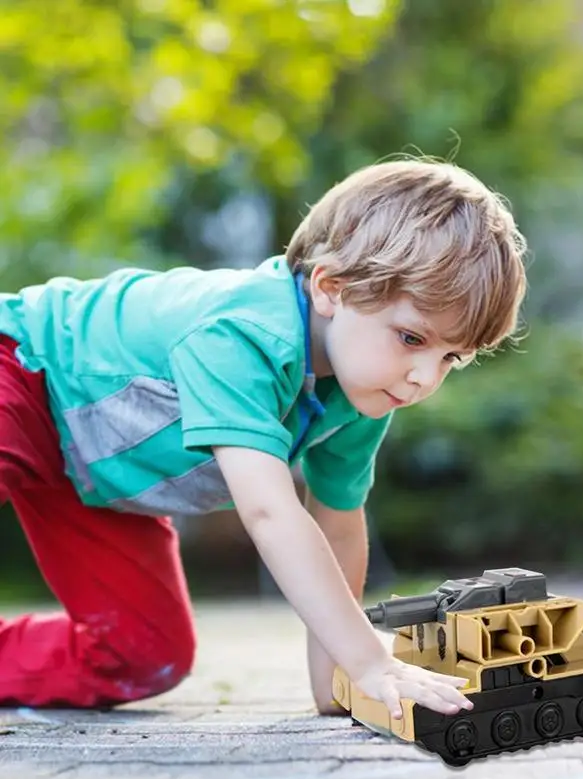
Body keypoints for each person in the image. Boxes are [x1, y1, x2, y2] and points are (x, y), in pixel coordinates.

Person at [0, 158, 528, 719]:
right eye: (410, 337)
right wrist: (374, 659)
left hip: (99, 473)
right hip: (25, 371)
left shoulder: (363, 395)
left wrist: (343, 679)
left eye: (451, 357)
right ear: (331, 288)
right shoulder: (244, 334)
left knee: (144, 654)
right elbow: (271, 513)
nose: (425, 378)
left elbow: (339, 525)